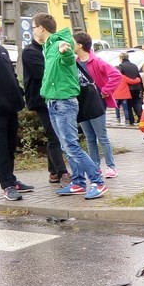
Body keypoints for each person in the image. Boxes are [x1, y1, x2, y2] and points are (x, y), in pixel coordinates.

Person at [32, 13, 106, 199]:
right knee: (66, 146)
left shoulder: (58, 44)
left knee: (71, 146)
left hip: (63, 102)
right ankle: (79, 183)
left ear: (41, 28)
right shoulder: (47, 47)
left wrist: (66, 53)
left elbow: (67, 59)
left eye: (33, 27)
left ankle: (98, 182)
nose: (33, 31)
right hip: (54, 102)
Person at [22, 38, 70, 186]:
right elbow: (44, 74)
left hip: (53, 97)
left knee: (54, 135)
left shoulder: (48, 49)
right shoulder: (30, 52)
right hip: (40, 100)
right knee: (53, 135)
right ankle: (62, 173)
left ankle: (54, 172)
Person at [73, 32, 121, 178]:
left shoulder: (97, 61)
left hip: (96, 103)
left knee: (102, 136)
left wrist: (106, 91)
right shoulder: (73, 62)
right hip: (81, 103)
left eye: (72, 42)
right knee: (89, 137)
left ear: (80, 45)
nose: (70, 45)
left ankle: (111, 167)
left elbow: (116, 75)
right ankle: (94, 166)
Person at [0, 43, 32, 201]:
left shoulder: (2, 50)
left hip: (11, 107)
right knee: (1, 149)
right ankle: (7, 186)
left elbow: (11, 74)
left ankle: (11, 180)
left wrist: (19, 93)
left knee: (10, 147)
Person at [119, 52, 143, 124]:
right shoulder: (134, 66)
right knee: (137, 103)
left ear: (121, 58)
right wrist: (142, 88)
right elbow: (138, 76)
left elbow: (121, 78)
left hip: (128, 88)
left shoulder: (121, 66)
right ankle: (140, 117)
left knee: (129, 105)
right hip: (137, 87)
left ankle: (131, 120)